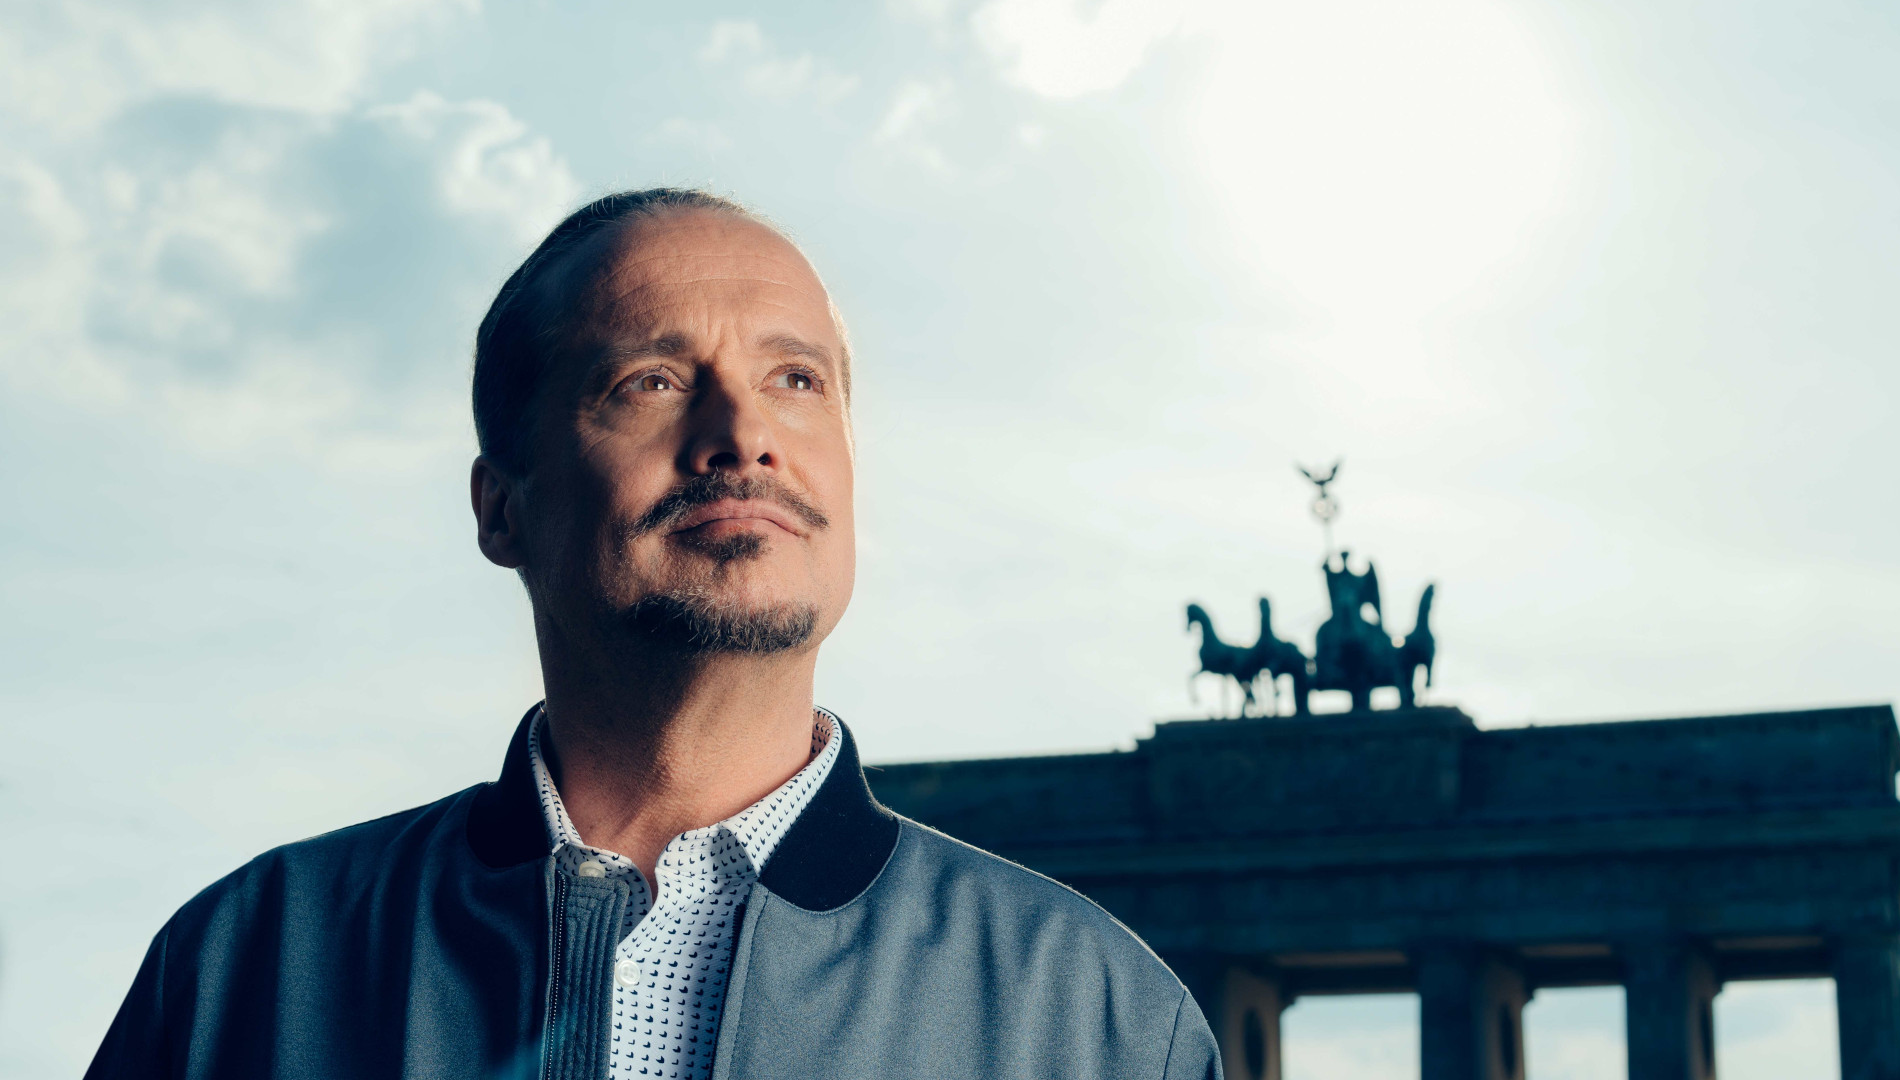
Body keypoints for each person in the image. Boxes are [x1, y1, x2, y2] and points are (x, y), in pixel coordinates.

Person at [86, 189, 1223, 1080]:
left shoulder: (1102, 1024)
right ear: (500, 508)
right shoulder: (245, 971)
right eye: (653, 380)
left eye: (796, 379)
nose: (743, 435)